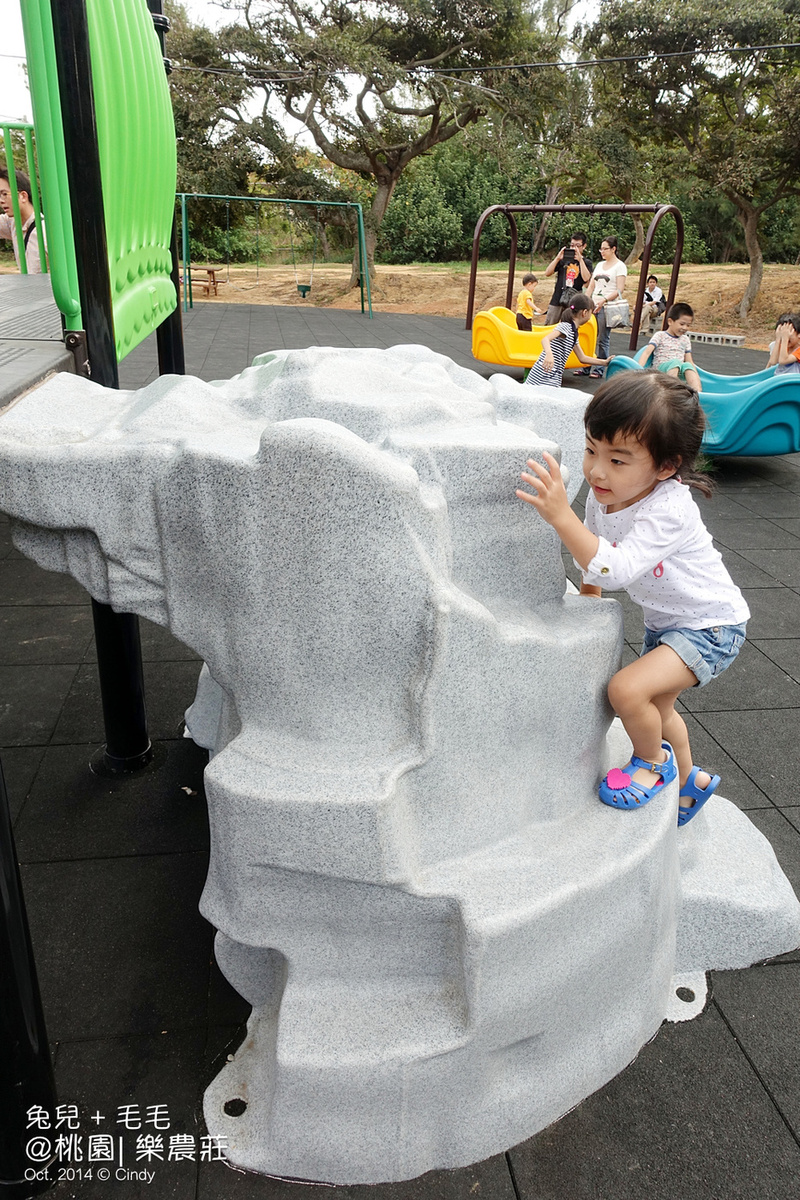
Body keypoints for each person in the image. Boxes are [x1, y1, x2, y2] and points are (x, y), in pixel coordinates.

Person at [516, 370, 749, 826]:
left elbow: (616, 568)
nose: (597, 471)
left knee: (625, 691)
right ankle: (689, 782)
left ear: (665, 466)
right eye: (590, 450)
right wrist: (587, 597)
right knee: (659, 710)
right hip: (668, 624)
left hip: (711, 627)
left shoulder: (670, 509)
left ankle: (651, 765)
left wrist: (561, 518)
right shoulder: (605, 496)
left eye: (618, 460)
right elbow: (596, 550)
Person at [524, 293, 609, 388]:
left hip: (553, 373)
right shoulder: (566, 326)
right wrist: (549, 355)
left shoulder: (573, 332)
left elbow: (582, 358)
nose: (591, 316)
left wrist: (604, 362)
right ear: (584, 312)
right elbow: (545, 339)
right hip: (545, 373)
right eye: (591, 312)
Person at [583, 235, 627, 379]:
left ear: (613, 249)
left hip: (606, 306)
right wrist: (586, 299)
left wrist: (604, 300)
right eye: (601, 249)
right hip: (593, 304)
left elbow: (620, 289)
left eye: (605, 249)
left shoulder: (619, 266)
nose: (602, 251)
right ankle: (585, 366)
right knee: (589, 336)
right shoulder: (599, 265)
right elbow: (592, 285)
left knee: (603, 338)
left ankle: (599, 368)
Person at [639, 302, 701, 392]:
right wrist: (639, 368)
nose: (685, 328)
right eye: (682, 324)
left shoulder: (685, 339)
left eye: (688, 325)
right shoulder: (660, 335)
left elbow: (689, 361)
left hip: (678, 372)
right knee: (675, 362)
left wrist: (696, 376)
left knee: (687, 365)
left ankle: (697, 392)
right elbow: (647, 352)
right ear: (670, 321)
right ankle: (671, 390)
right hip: (660, 372)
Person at [543, 231, 593, 326]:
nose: (574, 248)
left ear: (584, 246)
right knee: (549, 325)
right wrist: (558, 258)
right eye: (572, 245)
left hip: (574, 300)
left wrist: (580, 260)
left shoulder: (586, 262)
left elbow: (586, 278)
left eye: (578, 246)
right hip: (557, 297)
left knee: (569, 327)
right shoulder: (563, 260)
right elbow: (547, 273)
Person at [0, 168, 45, 274]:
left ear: (23, 196)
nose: (1, 200)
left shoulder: (43, 233)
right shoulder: (12, 222)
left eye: (5, 194)